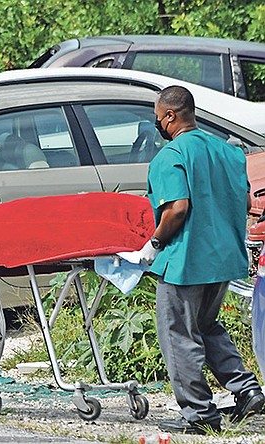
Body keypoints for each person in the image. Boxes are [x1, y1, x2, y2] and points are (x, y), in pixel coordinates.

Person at [129, 85, 265, 434]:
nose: (157, 123)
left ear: (171, 116)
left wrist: (153, 244)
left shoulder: (170, 157)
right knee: (205, 325)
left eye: (158, 117)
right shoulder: (229, 153)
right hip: (222, 259)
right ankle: (247, 390)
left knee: (178, 335)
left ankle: (199, 414)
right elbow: (246, 203)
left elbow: (178, 208)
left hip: (184, 261)